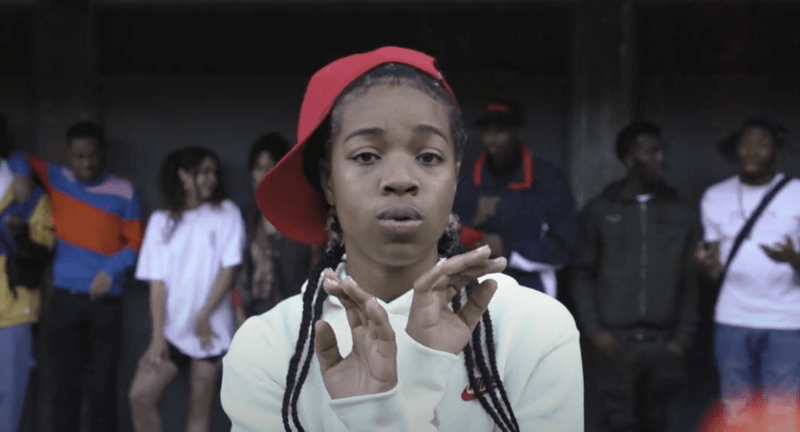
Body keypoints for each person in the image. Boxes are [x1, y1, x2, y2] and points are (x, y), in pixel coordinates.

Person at [220, 46, 583, 432]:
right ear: (328, 180)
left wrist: (405, 390)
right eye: (366, 156)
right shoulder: (268, 348)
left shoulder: (532, 328)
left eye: (428, 157)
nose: (400, 179)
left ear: (455, 176)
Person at [9, 121, 143, 432]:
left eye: (92, 156)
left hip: (106, 303)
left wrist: (109, 271)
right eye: (79, 157)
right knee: (64, 390)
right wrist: (21, 174)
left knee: (102, 391)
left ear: (103, 153)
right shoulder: (57, 177)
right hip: (64, 302)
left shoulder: (125, 191)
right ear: (68, 155)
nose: (86, 163)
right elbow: (20, 156)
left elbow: (137, 243)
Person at [571, 121, 699, 431]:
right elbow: (581, 274)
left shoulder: (682, 213)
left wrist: (681, 339)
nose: (660, 159)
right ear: (629, 158)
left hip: (664, 344)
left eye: (661, 151)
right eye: (651, 152)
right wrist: (595, 331)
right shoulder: (600, 211)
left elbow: (691, 281)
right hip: (614, 345)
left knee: (660, 423)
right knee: (616, 424)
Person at [128, 146, 245, 432]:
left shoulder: (226, 212)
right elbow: (157, 283)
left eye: (214, 172)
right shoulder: (161, 221)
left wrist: (204, 314)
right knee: (139, 396)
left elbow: (229, 269)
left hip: (210, 333)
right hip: (172, 332)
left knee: (198, 410)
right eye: (203, 172)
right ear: (183, 175)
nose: (211, 179)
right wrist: (158, 336)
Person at [694, 115, 800, 431]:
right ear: (735, 150)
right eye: (746, 144)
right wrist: (706, 265)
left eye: (762, 144)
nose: (753, 151)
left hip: (786, 319)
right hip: (732, 318)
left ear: (776, 150)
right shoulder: (715, 196)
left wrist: (792, 258)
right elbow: (714, 269)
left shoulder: (796, 193)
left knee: (781, 410)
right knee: (735, 408)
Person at [453, 98, 576, 297]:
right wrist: (475, 221)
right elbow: (442, 243)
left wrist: (507, 249)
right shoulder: (466, 180)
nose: (492, 136)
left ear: (518, 132)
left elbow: (564, 248)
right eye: (487, 129)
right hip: (474, 291)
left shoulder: (549, 179)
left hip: (532, 292)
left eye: (501, 129)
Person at [0, 113, 56, 432]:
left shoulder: (28, 192)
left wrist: (21, 235)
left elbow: (44, 250)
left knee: (9, 398)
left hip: (13, 306)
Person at [232, 132, 312, 328]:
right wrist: (238, 310)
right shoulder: (247, 219)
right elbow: (238, 271)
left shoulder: (303, 216)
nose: (264, 174)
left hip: (300, 318)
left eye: (271, 166)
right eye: (259, 168)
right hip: (258, 318)